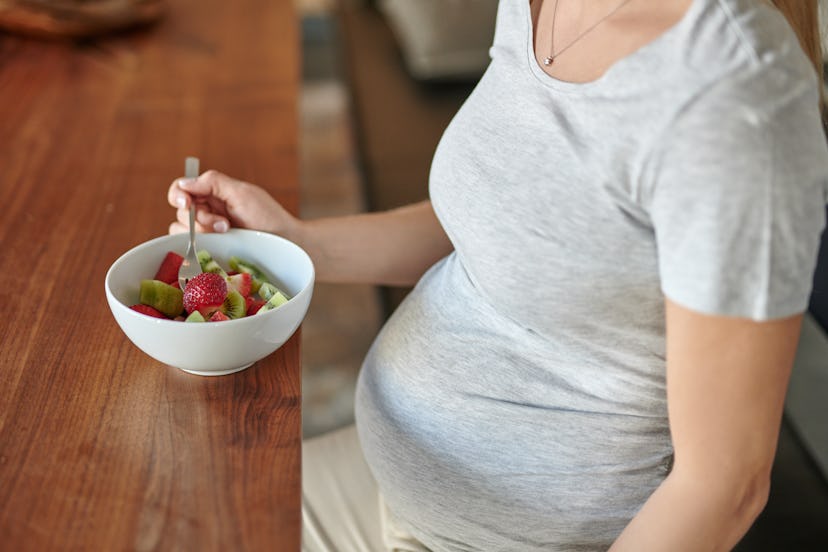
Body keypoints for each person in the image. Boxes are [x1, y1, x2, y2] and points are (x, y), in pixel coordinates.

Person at [168, 0, 828, 549]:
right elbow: (503, 219)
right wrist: (297, 242)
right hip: (390, 492)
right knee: (170, 519)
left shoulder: (734, 92)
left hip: (502, 537)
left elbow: (725, 486)